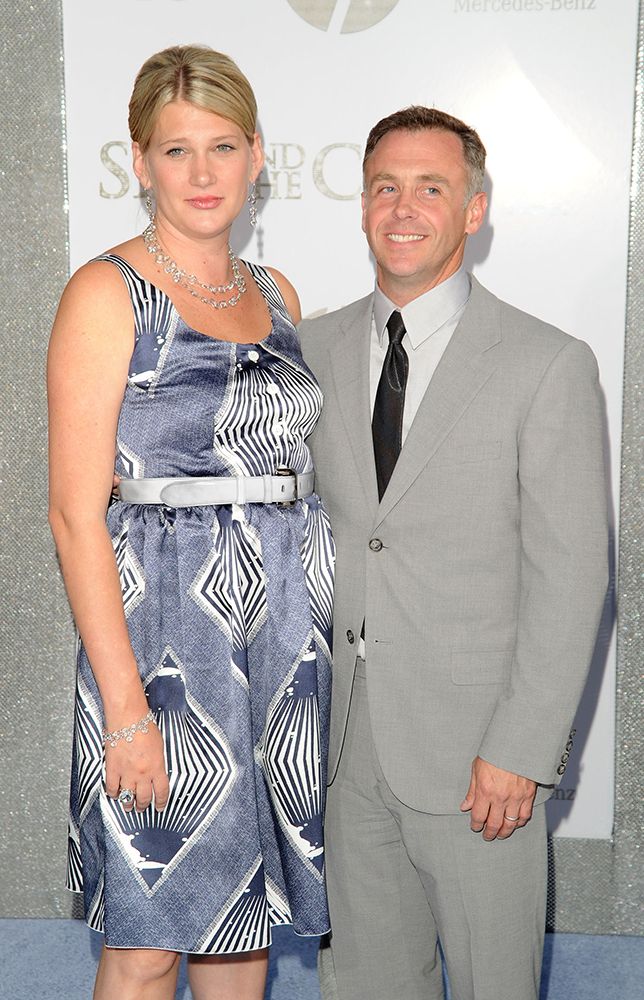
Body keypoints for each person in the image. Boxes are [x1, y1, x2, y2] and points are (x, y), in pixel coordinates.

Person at [298, 106, 608, 1000]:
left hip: (480, 763)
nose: (403, 208)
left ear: (473, 210)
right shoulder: (309, 350)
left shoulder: (547, 363)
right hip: (341, 748)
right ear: (361, 207)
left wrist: (522, 746)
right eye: (384, 187)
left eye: (430, 188)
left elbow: (572, 573)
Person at [48, 44, 334, 1000]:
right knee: (147, 943)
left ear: (258, 155)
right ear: (139, 163)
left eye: (222, 146)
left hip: (280, 644)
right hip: (162, 645)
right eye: (177, 151)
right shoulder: (107, 295)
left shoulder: (279, 296)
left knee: (238, 928)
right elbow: (74, 516)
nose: (203, 173)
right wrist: (127, 710)